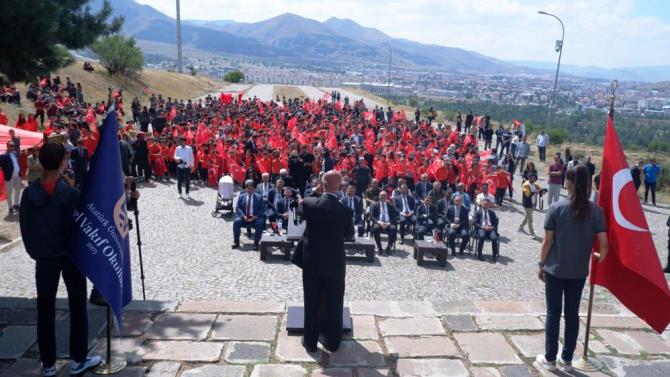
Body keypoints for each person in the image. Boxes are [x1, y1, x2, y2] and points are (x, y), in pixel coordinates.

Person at [19, 142, 102, 377]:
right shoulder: (69, 193)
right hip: (69, 257)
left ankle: (48, 365)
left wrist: (35, 251)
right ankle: (78, 360)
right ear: (64, 162)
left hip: (43, 258)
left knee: (44, 310)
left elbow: (26, 226)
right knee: (77, 307)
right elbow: (79, 227)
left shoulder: (28, 193)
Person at [535, 165, 608, 373]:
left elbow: (547, 242)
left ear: (570, 183)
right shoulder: (596, 211)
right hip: (578, 272)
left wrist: (541, 265)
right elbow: (604, 245)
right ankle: (567, 359)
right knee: (572, 315)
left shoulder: (556, 208)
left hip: (555, 270)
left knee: (553, 314)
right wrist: (597, 258)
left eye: (567, 180)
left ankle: (550, 358)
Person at [296, 170, 354, 353]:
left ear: (321, 185)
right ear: (340, 187)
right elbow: (349, 235)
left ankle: (311, 342)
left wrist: (315, 191)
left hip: (312, 263)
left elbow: (299, 210)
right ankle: (334, 342)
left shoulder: (310, 203)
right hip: (335, 264)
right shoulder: (346, 210)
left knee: (311, 302)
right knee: (335, 303)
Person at [232, 180, 266, 250]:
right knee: (236, 222)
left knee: (260, 223)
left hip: (255, 217)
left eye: (251, 188)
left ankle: (256, 242)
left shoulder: (259, 197)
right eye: (248, 188)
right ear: (246, 188)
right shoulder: (241, 196)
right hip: (244, 217)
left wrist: (255, 216)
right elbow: (237, 207)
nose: (250, 190)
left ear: (254, 189)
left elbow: (262, 208)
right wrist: (243, 216)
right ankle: (236, 241)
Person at [370, 190, 398, 255]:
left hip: (388, 223)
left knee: (393, 229)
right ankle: (379, 247)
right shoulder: (375, 205)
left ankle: (388, 246)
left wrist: (388, 223)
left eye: (384, 195)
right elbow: (372, 216)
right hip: (378, 223)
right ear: (379, 196)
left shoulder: (390, 205)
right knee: (375, 228)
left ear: (387, 197)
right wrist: (379, 222)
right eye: (381, 195)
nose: (383, 197)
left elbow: (394, 216)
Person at [1, 141, 23, 214]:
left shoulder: (15, 153)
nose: (13, 147)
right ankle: (10, 207)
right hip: (9, 176)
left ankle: (16, 204)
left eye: (13, 145)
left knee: (18, 191)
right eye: (11, 145)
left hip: (17, 176)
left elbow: (17, 163)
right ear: (7, 146)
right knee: (9, 193)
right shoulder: (3, 155)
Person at [520, 173, 541, 240]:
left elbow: (540, 191)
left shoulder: (536, 185)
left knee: (527, 217)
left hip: (533, 204)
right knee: (530, 219)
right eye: (531, 178)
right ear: (528, 178)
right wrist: (536, 192)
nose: (533, 179)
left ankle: (521, 226)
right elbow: (527, 194)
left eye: (534, 178)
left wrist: (542, 191)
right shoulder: (525, 185)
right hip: (527, 204)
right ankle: (532, 233)